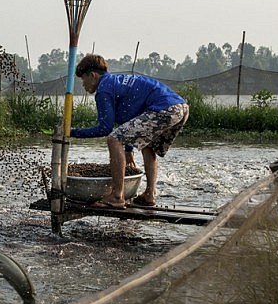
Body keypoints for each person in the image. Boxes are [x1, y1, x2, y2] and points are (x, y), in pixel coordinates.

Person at [70, 54, 189, 209]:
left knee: (113, 139)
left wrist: (72, 132)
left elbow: (105, 128)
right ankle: (149, 195)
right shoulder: (115, 81)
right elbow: (132, 120)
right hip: (180, 108)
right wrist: (128, 149)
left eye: (83, 79)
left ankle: (117, 196)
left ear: (93, 76)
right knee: (148, 145)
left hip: (164, 109)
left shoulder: (104, 89)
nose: (83, 84)